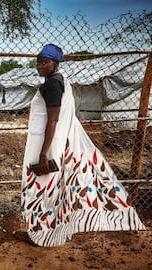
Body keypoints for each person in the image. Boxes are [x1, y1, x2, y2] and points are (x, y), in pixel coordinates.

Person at [15, 43, 146, 247]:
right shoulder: (59, 81)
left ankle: (40, 235)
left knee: (39, 187)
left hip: (46, 146)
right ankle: (50, 232)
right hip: (53, 144)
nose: (39, 66)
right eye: (38, 62)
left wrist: (43, 155)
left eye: (45, 62)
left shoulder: (52, 85)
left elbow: (53, 120)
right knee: (51, 189)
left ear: (55, 63)